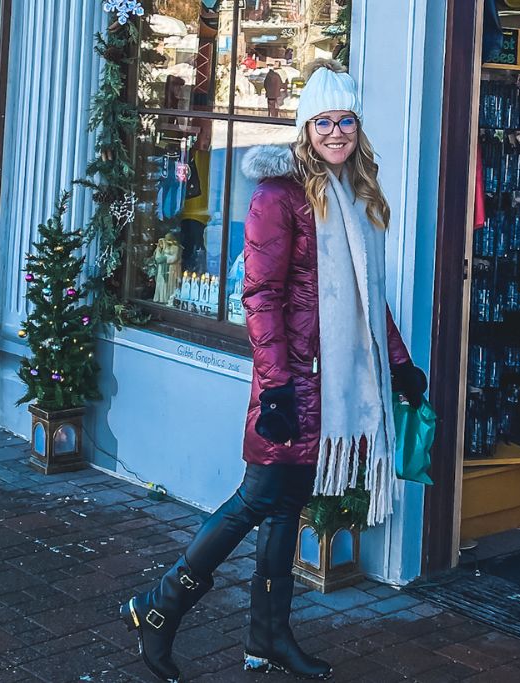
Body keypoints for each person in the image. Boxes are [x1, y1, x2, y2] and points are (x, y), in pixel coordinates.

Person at [120, 58, 428, 683]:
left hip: (335, 386)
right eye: (324, 121)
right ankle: (160, 607)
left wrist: (399, 366)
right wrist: (279, 385)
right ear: (304, 126)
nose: (336, 132)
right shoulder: (278, 196)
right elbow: (259, 294)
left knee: (285, 509)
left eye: (346, 121)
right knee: (255, 500)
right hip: (293, 382)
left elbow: (372, 301)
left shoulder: (354, 193)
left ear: (357, 127)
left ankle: (268, 638)